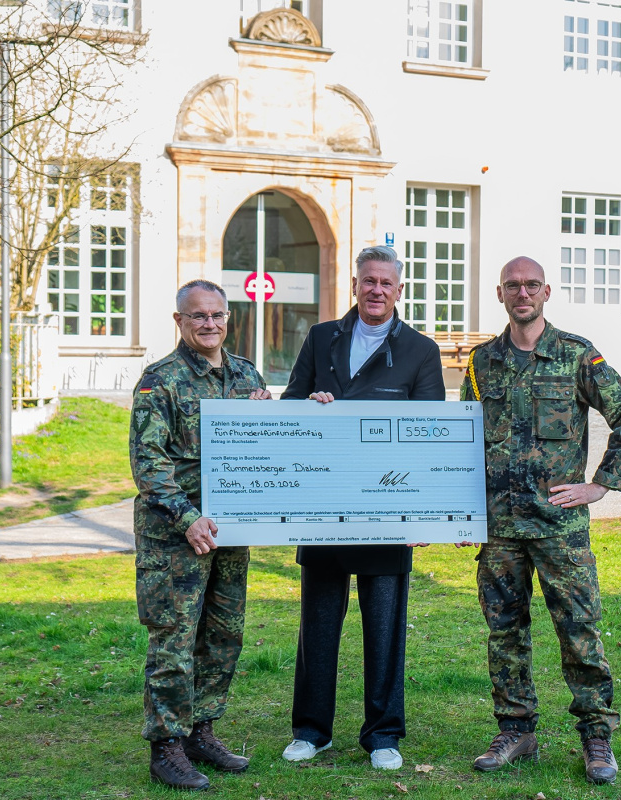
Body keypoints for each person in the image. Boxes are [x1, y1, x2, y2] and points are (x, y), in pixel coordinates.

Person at [460, 256, 621, 785]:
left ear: (546, 292)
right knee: (504, 634)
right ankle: (516, 730)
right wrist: (461, 514)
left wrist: (600, 484)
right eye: (513, 286)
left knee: (578, 631)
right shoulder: (481, 363)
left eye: (531, 285)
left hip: (559, 530)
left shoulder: (577, 356)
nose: (522, 293)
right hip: (499, 529)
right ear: (500, 294)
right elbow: (462, 442)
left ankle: (596, 736)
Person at [279, 245, 445, 770]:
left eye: (385, 282)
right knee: (317, 627)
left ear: (400, 289)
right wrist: (310, 409)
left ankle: (383, 735)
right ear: (354, 285)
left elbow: (432, 434)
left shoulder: (420, 350)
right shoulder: (321, 337)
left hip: (388, 509)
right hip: (324, 507)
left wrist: (424, 511)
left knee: (385, 630)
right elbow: (289, 409)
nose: (376, 290)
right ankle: (311, 731)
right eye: (368, 280)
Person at [130, 279, 272, 791]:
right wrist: (187, 517)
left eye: (217, 315)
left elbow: (264, 447)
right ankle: (166, 746)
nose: (209, 324)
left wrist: (276, 415)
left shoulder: (245, 375)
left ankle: (201, 731)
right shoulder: (160, 381)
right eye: (198, 316)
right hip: (175, 538)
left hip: (230, 531)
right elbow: (149, 464)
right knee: (174, 638)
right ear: (179, 321)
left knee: (222, 635)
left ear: (228, 318)